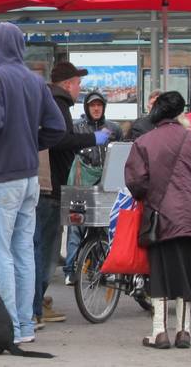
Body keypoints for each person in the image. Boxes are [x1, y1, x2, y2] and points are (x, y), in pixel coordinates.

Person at [0, 23, 66, 344]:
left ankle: (6, 326)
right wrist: (27, 141)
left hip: (1, 176)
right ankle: (25, 325)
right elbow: (57, 128)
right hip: (29, 176)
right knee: (24, 251)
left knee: (0, 254)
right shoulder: (35, 80)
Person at [125, 91, 191, 349]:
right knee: (188, 273)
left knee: (161, 275)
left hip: (160, 217)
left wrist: (152, 196)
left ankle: (160, 332)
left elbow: (135, 182)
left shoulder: (144, 142)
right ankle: (184, 332)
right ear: (179, 113)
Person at [36, 64, 110, 324]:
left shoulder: (51, 101)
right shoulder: (58, 104)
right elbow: (60, 141)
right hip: (51, 186)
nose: (80, 89)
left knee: (43, 246)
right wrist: (93, 138)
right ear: (67, 84)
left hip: (49, 184)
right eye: (78, 84)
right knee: (46, 249)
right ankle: (35, 307)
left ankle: (36, 299)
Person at [64, 91, 123, 284]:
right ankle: (71, 269)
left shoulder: (114, 128)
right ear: (86, 108)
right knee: (76, 226)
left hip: (106, 184)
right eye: (92, 105)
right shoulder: (76, 128)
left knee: (105, 227)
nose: (96, 108)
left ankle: (102, 267)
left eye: (99, 105)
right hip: (80, 183)